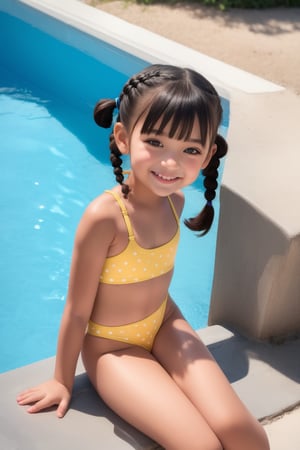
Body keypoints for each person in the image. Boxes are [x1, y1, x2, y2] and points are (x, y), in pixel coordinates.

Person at [17, 64, 269, 450]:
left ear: (207, 155)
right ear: (122, 136)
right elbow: (77, 311)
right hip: (112, 347)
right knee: (200, 446)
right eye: (155, 142)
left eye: (189, 150)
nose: (170, 163)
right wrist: (61, 379)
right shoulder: (105, 217)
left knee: (248, 436)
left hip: (165, 323)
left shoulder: (176, 200)